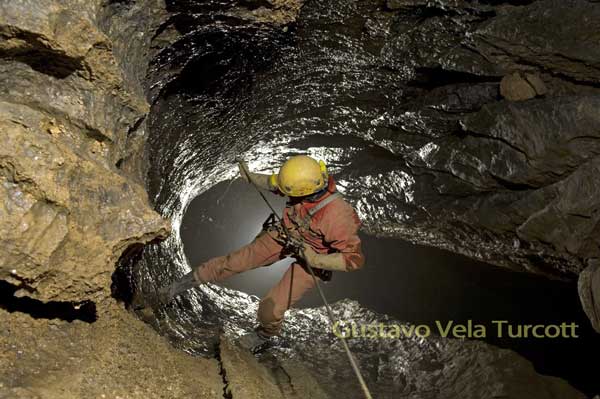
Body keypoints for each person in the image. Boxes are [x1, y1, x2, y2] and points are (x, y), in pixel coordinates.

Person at [156, 155, 365, 350]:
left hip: (312, 260)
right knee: (232, 262)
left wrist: (315, 258)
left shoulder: (339, 215)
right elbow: (273, 183)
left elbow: (353, 259)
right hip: (285, 236)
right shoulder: (304, 179)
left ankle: (265, 334)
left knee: (271, 309)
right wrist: (249, 176)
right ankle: (176, 287)